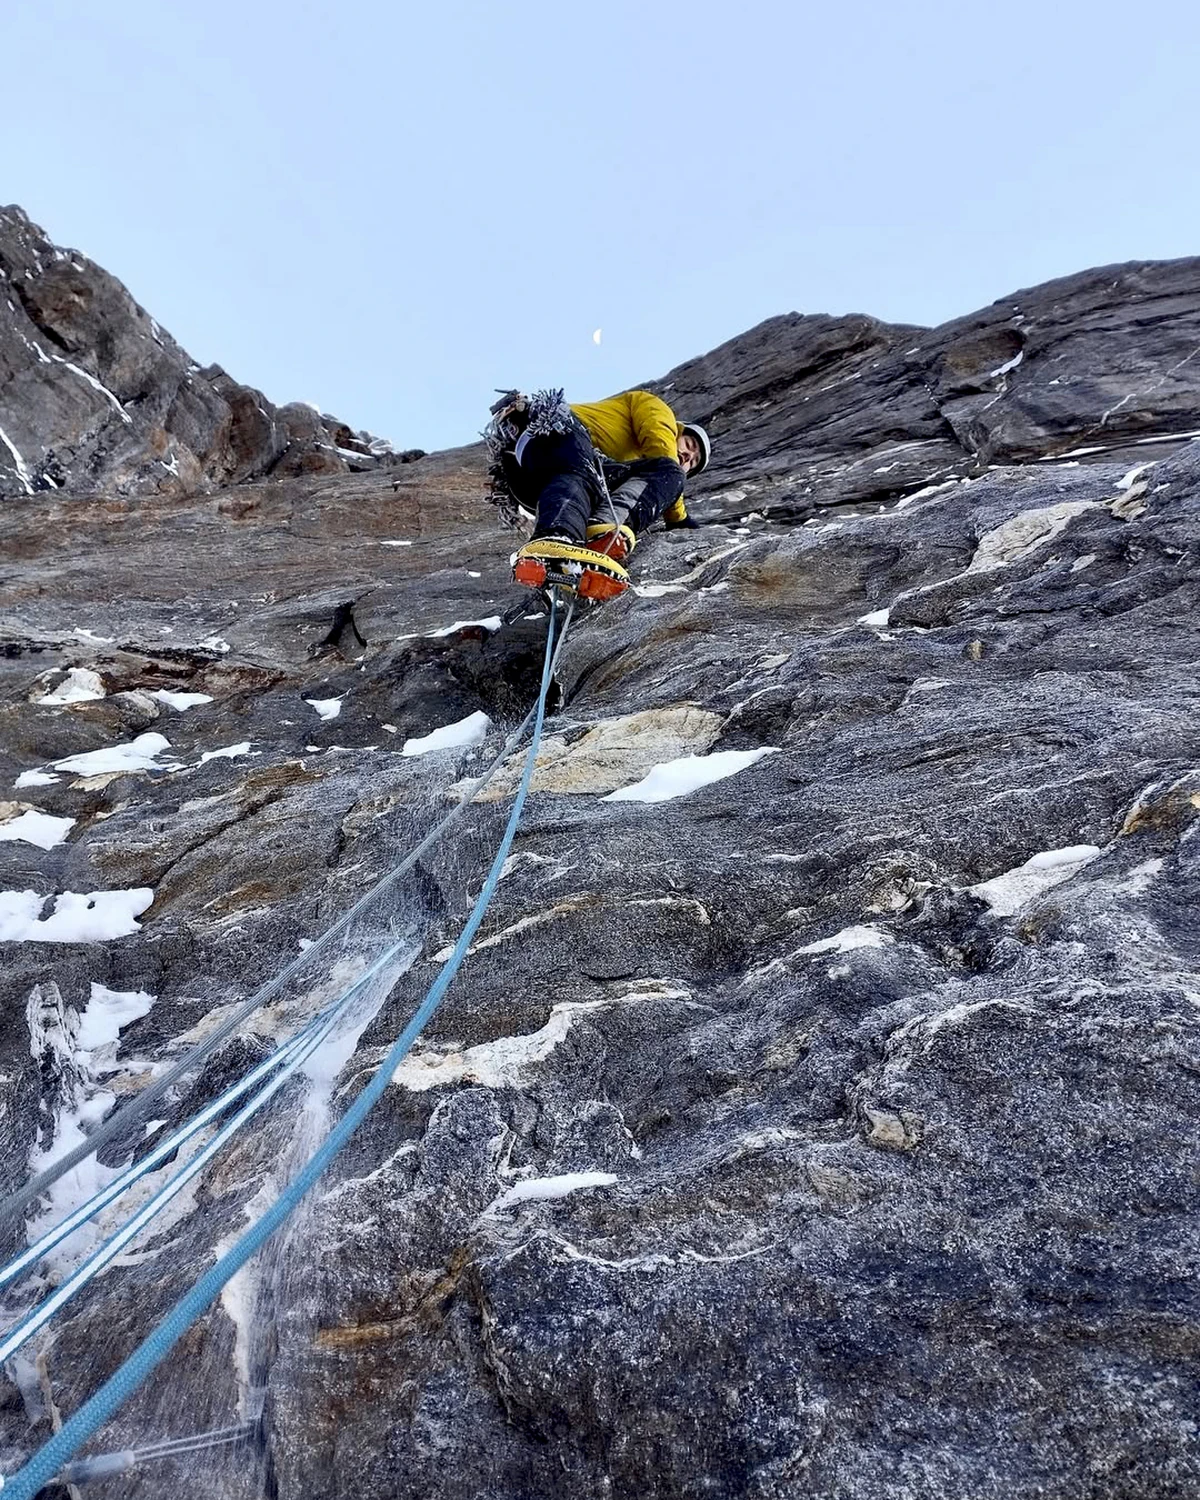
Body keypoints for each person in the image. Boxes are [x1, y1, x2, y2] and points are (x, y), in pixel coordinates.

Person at [485, 388, 711, 599]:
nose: (688, 456)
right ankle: (557, 537)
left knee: (588, 484)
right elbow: (661, 444)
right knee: (667, 472)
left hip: (532, 479)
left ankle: (580, 549)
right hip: (557, 430)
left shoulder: (631, 468)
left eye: (693, 463)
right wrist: (678, 519)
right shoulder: (658, 409)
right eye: (689, 445)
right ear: (679, 430)